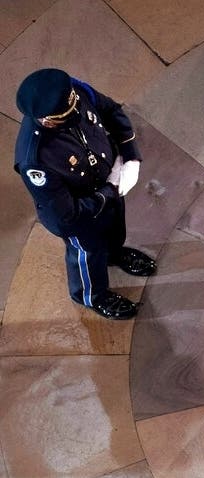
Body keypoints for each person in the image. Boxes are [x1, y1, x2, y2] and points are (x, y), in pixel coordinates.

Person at [13, 68, 156, 320]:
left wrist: (130, 155)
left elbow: (110, 110)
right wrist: (110, 190)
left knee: (114, 229)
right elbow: (67, 213)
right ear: (48, 120)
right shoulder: (35, 158)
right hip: (79, 216)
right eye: (67, 115)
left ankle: (114, 254)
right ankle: (92, 295)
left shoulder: (73, 92)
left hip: (109, 181)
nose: (77, 111)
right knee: (88, 252)